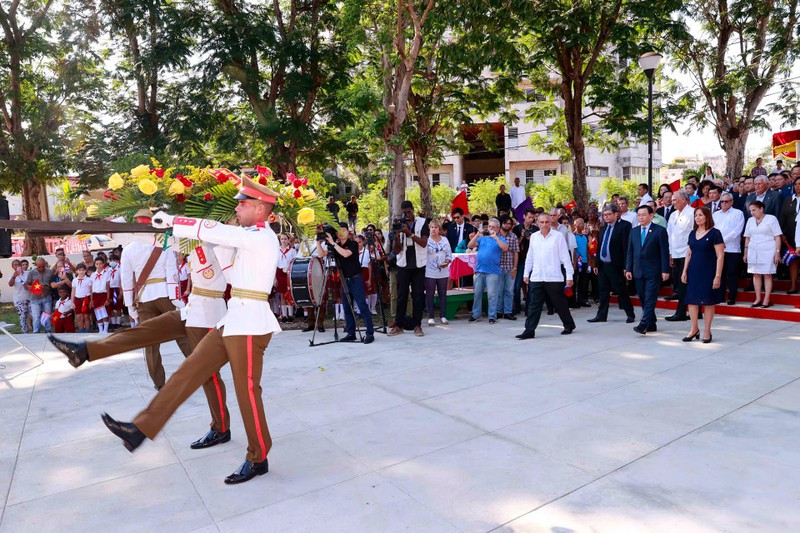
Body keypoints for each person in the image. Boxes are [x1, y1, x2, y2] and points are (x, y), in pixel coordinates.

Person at [96, 175, 283, 485]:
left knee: (247, 391)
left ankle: (258, 456)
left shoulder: (262, 237)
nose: (237, 208)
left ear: (261, 209)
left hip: (250, 323)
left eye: (243, 204)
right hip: (233, 319)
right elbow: (228, 268)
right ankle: (140, 429)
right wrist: (198, 240)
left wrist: (173, 219)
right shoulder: (245, 239)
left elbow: (221, 231)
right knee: (189, 370)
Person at [49, 242, 236, 451]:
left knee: (202, 372)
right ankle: (84, 351)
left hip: (205, 313)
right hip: (187, 308)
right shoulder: (180, 241)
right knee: (144, 334)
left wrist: (131, 305)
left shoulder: (213, 240)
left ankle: (219, 427)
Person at [120, 238, 188, 389]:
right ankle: (202, 373)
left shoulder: (128, 248)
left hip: (144, 298)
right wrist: (176, 298)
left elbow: (125, 279)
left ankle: (159, 384)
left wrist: (130, 306)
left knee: (150, 344)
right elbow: (172, 270)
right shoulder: (163, 241)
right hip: (165, 293)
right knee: (183, 336)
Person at [517, 213, 576, 339]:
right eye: (542, 222)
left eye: (547, 222)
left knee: (559, 304)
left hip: (553, 277)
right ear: (537, 223)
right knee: (534, 305)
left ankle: (569, 325)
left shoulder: (558, 236)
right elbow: (530, 256)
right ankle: (529, 330)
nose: (544, 225)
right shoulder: (534, 237)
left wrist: (569, 276)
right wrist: (526, 273)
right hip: (537, 277)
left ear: (551, 222)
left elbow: (565, 257)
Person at [318, 222, 374, 344]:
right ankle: (351, 332)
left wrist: (333, 243)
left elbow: (345, 254)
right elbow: (322, 254)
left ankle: (370, 333)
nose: (340, 233)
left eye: (343, 230)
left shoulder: (353, 244)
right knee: (347, 308)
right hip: (344, 280)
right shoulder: (335, 245)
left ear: (348, 232)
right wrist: (318, 241)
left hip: (356, 278)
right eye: (338, 231)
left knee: (362, 306)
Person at [679, 206, 725, 343]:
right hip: (694, 271)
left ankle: (707, 331)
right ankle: (694, 329)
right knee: (692, 301)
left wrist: (717, 276)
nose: (697, 218)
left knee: (708, 301)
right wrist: (684, 271)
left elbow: (720, 256)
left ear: (707, 217)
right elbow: (689, 253)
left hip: (709, 271)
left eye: (700, 215)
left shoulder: (715, 233)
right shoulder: (692, 233)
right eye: (696, 215)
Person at [625, 205, 670, 334]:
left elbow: (664, 252)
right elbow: (630, 251)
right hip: (638, 270)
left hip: (653, 270)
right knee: (644, 298)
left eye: (644, 214)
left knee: (650, 297)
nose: (641, 217)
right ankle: (651, 323)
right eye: (639, 215)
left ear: (651, 215)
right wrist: (628, 269)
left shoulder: (659, 230)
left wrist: (665, 270)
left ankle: (643, 324)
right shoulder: (634, 231)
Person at [588, 204, 636, 324]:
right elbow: (600, 247)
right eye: (604, 215)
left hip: (616, 265)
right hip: (604, 265)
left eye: (609, 214)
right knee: (603, 291)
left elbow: (626, 248)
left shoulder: (624, 226)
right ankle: (601, 315)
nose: (606, 217)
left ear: (616, 214)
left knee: (621, 291)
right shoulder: (604, 228)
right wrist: (597, 264)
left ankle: (630, 314)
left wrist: (626, 266)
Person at [389, 201, 430, 337]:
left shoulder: (423, 223)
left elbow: (424, 243)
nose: (406, 215)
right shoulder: (398, 223)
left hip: (419, 264)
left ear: (413, 210)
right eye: (404, 212)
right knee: (402, 296)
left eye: (408, 211)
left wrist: (409, 233)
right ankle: (399, 325)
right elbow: (396, 250)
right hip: (403, 264)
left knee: (418, 295)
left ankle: (417, 325)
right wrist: (396, 236)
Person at [467, 218, 508, 323]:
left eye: (493, 227)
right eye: (489, 226)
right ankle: (476, 314)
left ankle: (492, 316)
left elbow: (505, 248)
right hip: (480, 270)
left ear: (498, 229)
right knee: (477, 293)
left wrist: (496, 238)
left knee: (492, 295)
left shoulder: (500, 238)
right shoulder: (483, 238)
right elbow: (470, 245)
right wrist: (477, 235)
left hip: (493, 271)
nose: (491, 229)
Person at [744, 200, 783, 308]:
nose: (752, 212)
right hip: (753, 250)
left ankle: (766, 299)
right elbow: (747, 237)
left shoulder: (771, 219)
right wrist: (745, 253)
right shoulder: (750, 220)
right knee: (756, 274)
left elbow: (777, 237)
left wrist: (777, 252)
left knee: (767, 275)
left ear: (761, 209)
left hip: (768, 250)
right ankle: (757, 298)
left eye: (754, 210)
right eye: (750, 210)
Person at [666, 190, 695, 321]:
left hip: (688, 252)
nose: (672, 202)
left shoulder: (693, 212)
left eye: (675, 200)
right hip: (676, 252)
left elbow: (695, 233)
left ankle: (681, 312)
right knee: (678, 282)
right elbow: (670, 235)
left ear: (684, 200)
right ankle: (693, 310)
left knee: (685, 283)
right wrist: (671, 253)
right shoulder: (672, 215)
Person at [713, 192, 746, 305]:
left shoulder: (738, 213)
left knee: (732, 273)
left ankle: (732, 297)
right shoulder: (716, 214)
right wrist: (717, 242)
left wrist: (723, 241)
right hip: (718, 249)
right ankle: (720, 295)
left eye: (726, 201)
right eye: (722, 201)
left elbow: (737, 230)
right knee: (719, 273)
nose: (724, 204)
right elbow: (712, 229)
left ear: (732, 202)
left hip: (732, 249)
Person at [424, 220, 453, 325]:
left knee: (442, 293)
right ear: (429, 228)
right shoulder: (426, 241)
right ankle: (430, 316)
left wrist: (446, 262)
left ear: (439, 229)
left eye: (436, 227)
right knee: (430, 294)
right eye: (432, 227)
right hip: (430, 271)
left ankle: (443, 316)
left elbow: (449, 254)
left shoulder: (445, 240)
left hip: (443, 271)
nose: (433, 229)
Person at [512, 208, 538, 314]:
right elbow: (514, 246)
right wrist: (522, 237)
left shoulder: (536, 230)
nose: (531, 219)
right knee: (517, 285)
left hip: (532, 260)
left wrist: (532, 239)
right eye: (529, 217)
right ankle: (517, 307)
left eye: (533, 217)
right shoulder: (517, 229)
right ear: (524, 216)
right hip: (520, 260)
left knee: (531, 286)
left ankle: (529, 308)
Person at [779, 177, 800, 294]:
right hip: (791, 235)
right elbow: (782, 217)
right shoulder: (788, 200)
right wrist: (782, 233)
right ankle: (793, 285)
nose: (797, 186)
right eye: (796, 184)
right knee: (793, 261)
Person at [496, 214, 520, 319]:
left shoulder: (513, 236)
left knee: (509, 290)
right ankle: (498, 311)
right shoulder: (495, 236)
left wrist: (515, 268)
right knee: (499, 290)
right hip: (498, 267)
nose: (507, 225)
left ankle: (508, 312)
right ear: (501, 224)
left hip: (510, 267)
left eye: (510, 223)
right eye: (505, 223)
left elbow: (516, 253)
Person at [25, 258, 54, 333]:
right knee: (36, 317)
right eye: (39, 267)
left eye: (43, 266)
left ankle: (48, 331)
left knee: (47, 316)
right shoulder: (31, 273)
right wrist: (32, 287)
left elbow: (53, 283)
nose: (41, 268)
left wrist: (48, 286)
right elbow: (26, 285)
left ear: (45, 264)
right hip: (35, 298)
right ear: (36, 265)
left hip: (47, 297)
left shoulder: (50, 272)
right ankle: (36, 332)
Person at [276, 233, 297, 323]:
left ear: (288, 240)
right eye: (282, 239)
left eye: (285, 239)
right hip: (279, 273)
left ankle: (291, 315)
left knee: (289, 295)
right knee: (282, 295)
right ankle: (284, 315)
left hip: (288, 273)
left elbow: (294, 263)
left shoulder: (292, 251)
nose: (283, 241)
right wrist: (274, 278)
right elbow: (274, 264)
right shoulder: (277, 250)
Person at [572, 216, 591, 307]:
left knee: (583, 282)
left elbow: (587, 250)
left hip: (584, 261)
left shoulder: (585, 237)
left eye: (582, 223)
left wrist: (589, 263)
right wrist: (574, 262)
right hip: (576, 262)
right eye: (579, 223)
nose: (581, 225)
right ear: (575, 225)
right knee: (574, 282)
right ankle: (573, 301)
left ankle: (582, 300)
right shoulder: (573, 236)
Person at [8, 259, 31, 333]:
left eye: (19, 264)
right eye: (15, 265)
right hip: (19, 300)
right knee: (23, 316)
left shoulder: (28, 273)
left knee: (34, 315)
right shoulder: (11, 276)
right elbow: (10, 284)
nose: (17, 266)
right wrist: (14, 277)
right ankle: (25, 332)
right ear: (13, 267)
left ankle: (35, 330)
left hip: (30, 298)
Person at [106, 252, 123, 329]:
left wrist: (121, 292)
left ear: (117, 261)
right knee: (111, 307)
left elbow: (121, 281)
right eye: (111, 260)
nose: (112, 261)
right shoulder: (108, 270)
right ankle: (113, 323)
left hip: (117, 288)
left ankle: (118, 323)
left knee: (118, 307)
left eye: (114, 260)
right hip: (110, 289)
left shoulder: (120, 269)